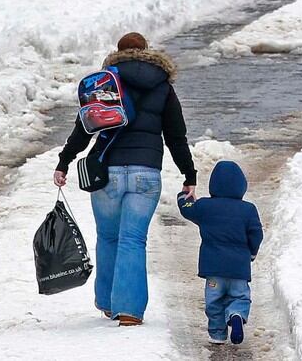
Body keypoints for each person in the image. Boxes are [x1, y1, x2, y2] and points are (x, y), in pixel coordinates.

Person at [53, 32, 197, 327]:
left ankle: (107, 302)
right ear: (146, 51)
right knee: (133, 239)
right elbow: (176, 137)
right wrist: (189, 174)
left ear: (117, 53)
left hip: (108, 171)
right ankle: (129, 310)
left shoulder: (105, 83)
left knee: (108, 236)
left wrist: (64, 162)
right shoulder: (163, 86)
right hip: (146, 172)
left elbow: (84, 127)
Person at [177, 160, 264, 346]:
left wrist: (184, 194)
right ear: (242, 185)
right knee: (240, 297)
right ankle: (236, 315)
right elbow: (256, 233)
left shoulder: (205, 206)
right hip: (239, 268)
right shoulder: (248, 210)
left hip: (213, 269)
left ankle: (217, 334)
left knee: (214, 302)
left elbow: (186, 209)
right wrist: (252, 252)